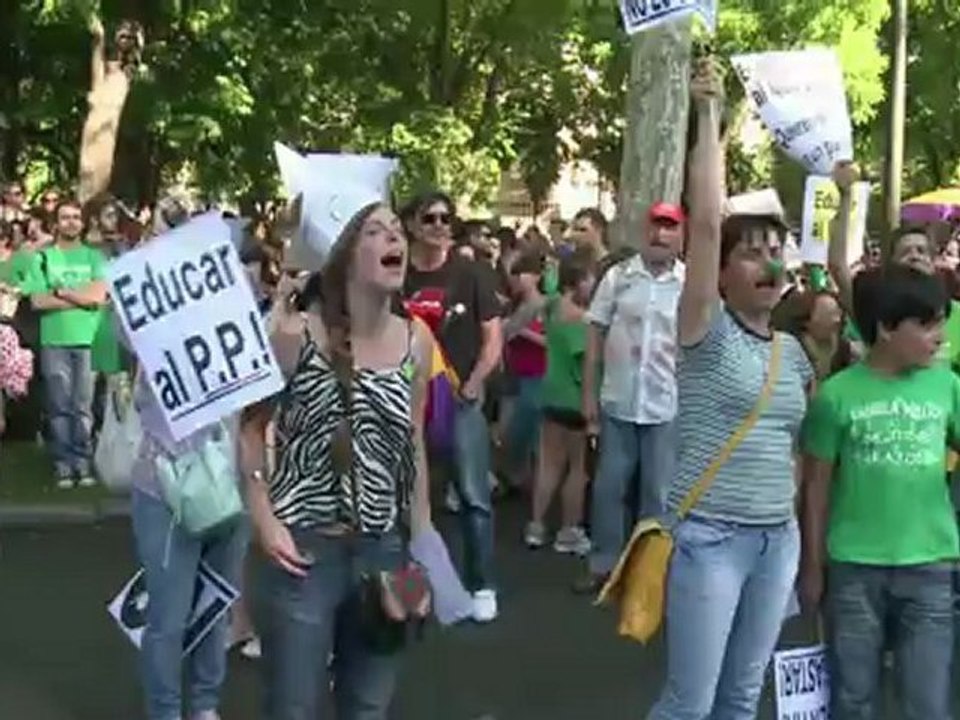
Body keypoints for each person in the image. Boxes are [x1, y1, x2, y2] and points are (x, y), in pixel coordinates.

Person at [646, 60, 815, 719]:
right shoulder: (704, 329)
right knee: (691, 702)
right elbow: (709, 222)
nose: (769, 260)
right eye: (753, 250)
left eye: (778, 248)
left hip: (778, 541)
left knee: (743, 699)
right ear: (719, 273)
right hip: (712, 540)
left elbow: (792, 449)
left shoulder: (794, 352)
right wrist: (709, 109)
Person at [240, 197, 434, 718]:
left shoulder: (417, 340)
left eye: (398, 230)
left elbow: (411, 444)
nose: (396, 239)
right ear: (345, 254)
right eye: (376, 231)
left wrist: (423, 543)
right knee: (294, 708)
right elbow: (250, 431)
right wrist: (264, 519)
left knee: (368, 708)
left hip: (386, 552)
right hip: (304, 553)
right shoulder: (295, 335)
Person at [801, 265, 958, 720]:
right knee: (853, 698)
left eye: (940, 321)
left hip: (931, 565)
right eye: (925, 323)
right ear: (886, 328)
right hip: (854, 568)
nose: (939, 334)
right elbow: (816, 486)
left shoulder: (947, 386)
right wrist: (813, 566)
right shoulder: (836, 396)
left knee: (928, 702)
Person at [124, 200, 246, 720]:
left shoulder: (242, 320)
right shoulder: (149, 323)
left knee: (215, 611)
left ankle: (204, 708)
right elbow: (124, 326)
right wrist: (154, 253)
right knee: (168, 619)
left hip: (229, 485)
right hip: (164, 488)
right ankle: (166, 712)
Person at [575, 199, 686, 593]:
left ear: (680, 234)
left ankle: (648, 574)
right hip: (619, 400)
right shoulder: (618, 278)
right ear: (645, 232)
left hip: (666, 406)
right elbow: (594, 335)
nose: (661, 234)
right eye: (656, 226)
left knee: (658, 495)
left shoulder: (689, 284)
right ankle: (603, 565)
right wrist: (588, 395)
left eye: (670, 227)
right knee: (609, 488)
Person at [403, 191, 503, 622]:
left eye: (448, 219)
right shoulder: (396, 273)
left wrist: (477, 381)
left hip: (458, 399)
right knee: (400, 499)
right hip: (403, 402)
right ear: (411, 225)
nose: (441, 226)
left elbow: (492, 337)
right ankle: (406, 591)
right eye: (431, 218)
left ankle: (481, 583)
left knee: (472, 493)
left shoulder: (473, 274)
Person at [21, 198, 108, 488]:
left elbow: (98, 297)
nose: (70, 222)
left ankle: (83, 463)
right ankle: (63, 464)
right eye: (65, 217)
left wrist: (61, 292)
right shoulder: (43, 259)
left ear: (82, 223)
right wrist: (79, 298)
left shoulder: (95, 258)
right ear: (56, 223)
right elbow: (37, 300)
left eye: (75, 217)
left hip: (87, 341)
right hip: (54, 341)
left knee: (83, 407)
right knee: (59, 405)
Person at [526, 251, 596, 553]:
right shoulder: (581, 321)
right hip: (574, 400)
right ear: (578, 281)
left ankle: (536, 526)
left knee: (548, 465)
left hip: (549, 393)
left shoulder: (554, 308)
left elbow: (550, 288)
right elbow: (585, 365)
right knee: (577, 469)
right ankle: (569, 530)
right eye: (590, 279)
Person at [502, 251, 547, 496]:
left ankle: (528, 483)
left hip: (536, 375)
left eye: (523, 274)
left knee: (527, 432)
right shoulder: (515, 306)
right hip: (514, 375)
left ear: (537, 276)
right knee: (513, 434)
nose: (518, 279)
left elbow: (554, 342)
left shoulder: (545, 305)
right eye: (515, 274)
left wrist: (526, 334)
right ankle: (517, 478)